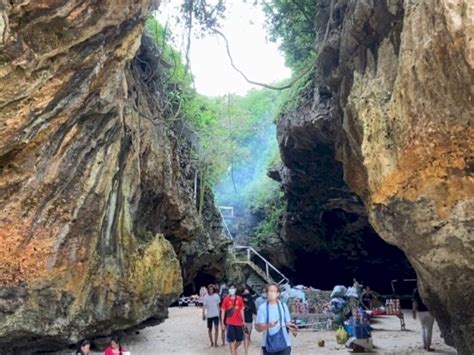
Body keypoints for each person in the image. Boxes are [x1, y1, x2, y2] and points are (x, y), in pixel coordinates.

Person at [256, 283, 298, 355]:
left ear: (278, 293)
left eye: (274, 291)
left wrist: (292, 328)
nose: (272, 293)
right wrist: (268, 325)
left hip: (285, 344)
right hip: (268, 345)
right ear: (266, 293)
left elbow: (288, 322)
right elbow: (258, 328)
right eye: (270, 291)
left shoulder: (283, 306)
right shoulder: (262, 308)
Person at [220, 284, 245, 355]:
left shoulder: (239, 299)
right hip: (230, 322)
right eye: (230, 289)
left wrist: (243, 321)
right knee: (231, 340)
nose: (232, 290)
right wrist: (222, 323)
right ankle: (233, 353)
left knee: (240, 340)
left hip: (239, 322)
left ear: (235, 290)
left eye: (233, 288)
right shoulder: (226, 299)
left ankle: (233, 350)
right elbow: (223, 311)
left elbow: (241, 310)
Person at [413, 288, 435, 352]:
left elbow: (414, 302)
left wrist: (414, 312)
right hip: (429, 311)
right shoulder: (429, 289)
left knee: (423, 328)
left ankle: (424, 345)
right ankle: (428, 347)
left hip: (420, 312)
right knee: (429, 329)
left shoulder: (416, 290)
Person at [242, 287, 257, 354]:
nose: (246, 295)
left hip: (249, 320)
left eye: (247, 293)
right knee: (246, 335)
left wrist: (256, 320)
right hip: (242, 320)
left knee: (248, 333)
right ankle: (246, 351)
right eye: (244, 293)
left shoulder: (251, 301)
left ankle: (248, 339)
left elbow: (254, 311)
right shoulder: (240, 301)